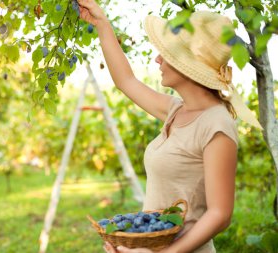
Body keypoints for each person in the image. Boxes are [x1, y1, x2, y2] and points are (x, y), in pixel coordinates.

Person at [77, 0, 263, 252]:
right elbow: (126, 81)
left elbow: (220, 215)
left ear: (187, 65)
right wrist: (101, 23)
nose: (156, 59)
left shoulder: (216, 124)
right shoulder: (176, 110)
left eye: (165, 54)